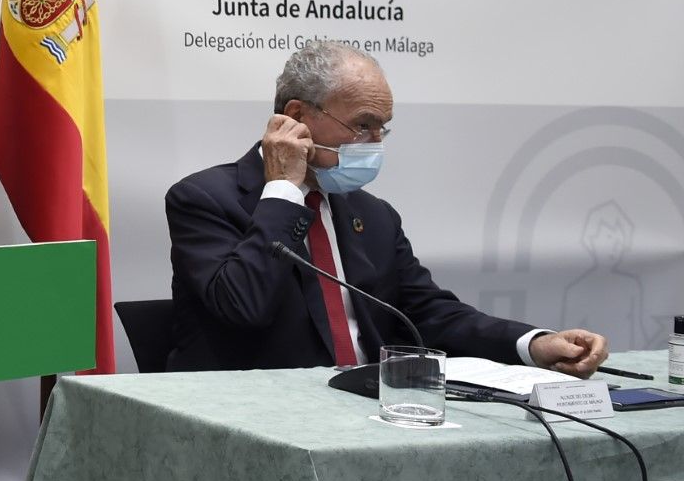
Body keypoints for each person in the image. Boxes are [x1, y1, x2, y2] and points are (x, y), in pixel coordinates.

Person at [165, 40, 608, 375]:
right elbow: (244, 307)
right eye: (362, 126)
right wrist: (283, 188)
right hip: (249, 424)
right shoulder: (203, 199)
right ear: (297, 115)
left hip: (368, 412)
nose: (374, 144)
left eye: (382, 130)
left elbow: (429, 314)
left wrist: (535, 344)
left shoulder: (372, 215)